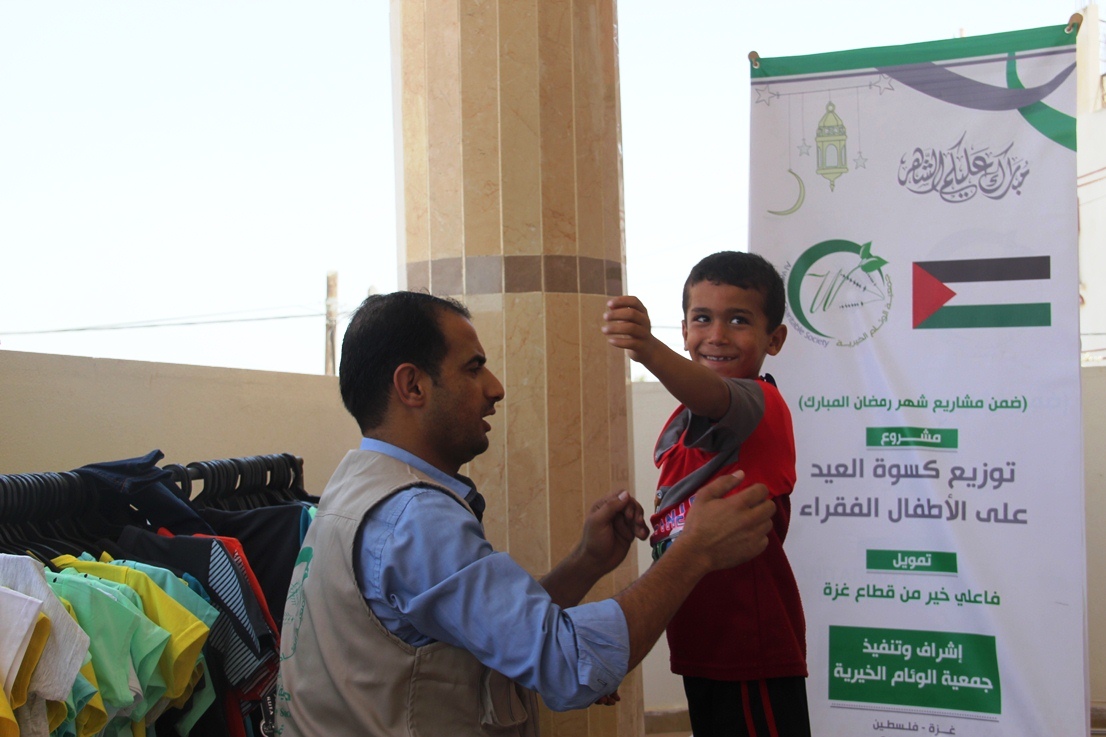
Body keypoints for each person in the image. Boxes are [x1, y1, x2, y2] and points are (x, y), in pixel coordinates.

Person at [275, 290, 778, 737]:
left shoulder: (358, 487)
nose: (495, 388)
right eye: (473, 368)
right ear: (413, 386)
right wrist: (693, 553)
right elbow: (568, 664)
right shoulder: (414, 517)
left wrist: (585, 562)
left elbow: (496, 628)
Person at [602, 251, 809, 737]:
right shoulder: (681, 425)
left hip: (750, 651)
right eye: (702, 319)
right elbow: (678, 544)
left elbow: (716, 396)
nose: (716, 336)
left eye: (738, 320)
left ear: (774, 339)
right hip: (701, 648)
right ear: (684, 329)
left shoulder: (760, 403)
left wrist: (648, 349)